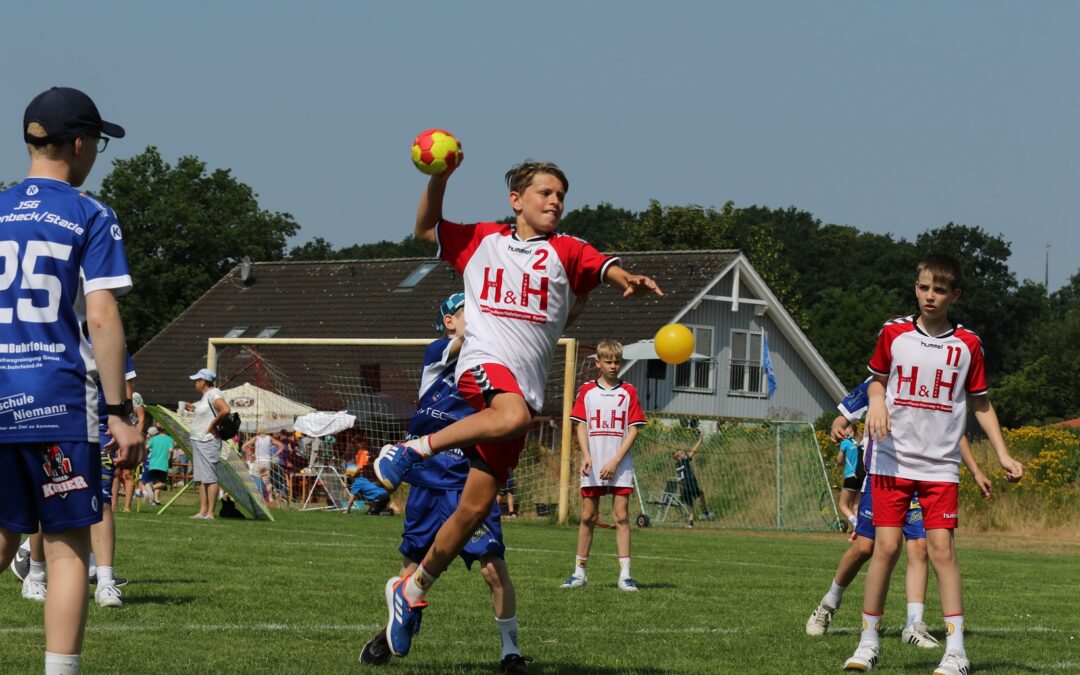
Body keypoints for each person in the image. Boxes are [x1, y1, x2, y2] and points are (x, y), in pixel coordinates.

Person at [371, 160, 662, 661]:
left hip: (522, 390)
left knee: (473, 510)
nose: (555, 201)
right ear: (516, 200)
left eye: (561, 195)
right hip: (484, 366)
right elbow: (424, 228)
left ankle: (411, 591)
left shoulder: (566, 249)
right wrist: (440, 178)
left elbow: (602, 265)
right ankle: (410, 450)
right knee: (513, 417)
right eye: (545, 192)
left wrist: (624, 278)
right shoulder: (482, 240)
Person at [0, 86, 143, 674]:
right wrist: (119, 411)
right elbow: (102, 316)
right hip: (59, 399)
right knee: (66, 551)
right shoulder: (90, 214)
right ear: (80, 144)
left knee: (2, 536)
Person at [842, 254, 1024, 675]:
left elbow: (981, 403)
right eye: (924, 287)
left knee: (942, 551)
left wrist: (1002, 453)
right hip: (891, 461)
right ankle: (867, 644)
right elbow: (876, 381)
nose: (930, 296)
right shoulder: (894, 332)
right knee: (886, 548)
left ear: (954, 295)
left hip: (940, 466)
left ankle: (956, 652)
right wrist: (875, 403)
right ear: (916, 287)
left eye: (939, 290)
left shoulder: (968, 344)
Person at [361, 292, 529, 673]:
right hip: (427, 481)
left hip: (470, 480)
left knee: (493, 568)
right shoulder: (439, 353)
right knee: (411, 573)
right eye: (470, 311)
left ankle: (511, 652)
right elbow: (465, 340)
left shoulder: (491, 366)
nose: (479, 316)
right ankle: (389, 634)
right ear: (449, 322)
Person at [807, 380, 993, 650]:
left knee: (919, 546)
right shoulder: (882, 380)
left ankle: (914, 624)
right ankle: (828, 604)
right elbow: (845, 414)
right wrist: (838, 424)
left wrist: (975, 471)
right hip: (884, 477)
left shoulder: (936, 380)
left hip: (923, 478)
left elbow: (953, 431)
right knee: (865, 547)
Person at [561, 340, 646, 592]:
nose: (613, 366)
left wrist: (615, 460)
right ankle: (579, 573)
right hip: (594, 463)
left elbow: (633, 430)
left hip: (619, 464)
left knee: (621, 516)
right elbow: (581, 425)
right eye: (608, 361)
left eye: (616, 361)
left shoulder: (628, 391)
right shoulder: (587, 390)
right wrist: (586, 455)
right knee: (588, 516)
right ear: (598, 363)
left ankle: (625, 576)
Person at [184, 368, 231, 520]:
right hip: (199, 440)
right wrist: (195, 409)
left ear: (203, 381)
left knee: (210, 477)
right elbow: (208, 413)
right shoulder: (206, 396)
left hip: (208, 441)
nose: (195, 383)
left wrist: (212, 426)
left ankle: (210, 512)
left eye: (197, 380)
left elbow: (225, 410)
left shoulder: (214, 393)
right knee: (201, 477)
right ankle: (202, 511)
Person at [674, 427, 712, 528]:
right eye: (682, 453)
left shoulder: (677, 465)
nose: (684, 453)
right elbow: (693, 451)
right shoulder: (684, 460)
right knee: (701, 493)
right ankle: (705, 512)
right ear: (679, 457)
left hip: (682, 487)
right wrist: (700, 440)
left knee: (690, 504)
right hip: (689, 485)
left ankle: (690, 523)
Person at [243, 428, 284, 503]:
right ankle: (270, 498)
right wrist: (274, 455)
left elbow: (245, 445)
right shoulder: (269, 438)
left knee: (255, 479)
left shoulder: (256, 438)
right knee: (267, 482)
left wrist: (250, 454)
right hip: (267, 462)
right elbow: (282, 446)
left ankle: (257, 497)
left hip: (258, 462)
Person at [836, 433, 865, 532]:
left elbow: (839, 460)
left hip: (851, 476)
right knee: (856, 505)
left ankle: (855, 523)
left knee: (843, 505)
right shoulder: (861, 443)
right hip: (862, 477)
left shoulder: (846, 442)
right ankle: (857, 530)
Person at [144, 427, 174, 505]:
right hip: (162, 464)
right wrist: (170, 459)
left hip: (152, 464)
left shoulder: (154, 439)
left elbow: (146, 447)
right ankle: (151, 488)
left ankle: (155, 499)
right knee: (163, 483)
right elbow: (171, 450)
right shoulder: (169, 439)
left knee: (157, 482)